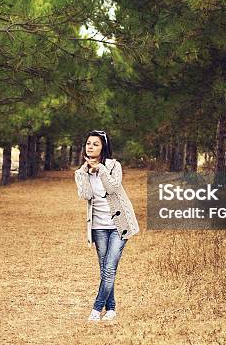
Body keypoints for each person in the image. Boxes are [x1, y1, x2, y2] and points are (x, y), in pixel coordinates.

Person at [74, 130, 139, 322]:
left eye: (95, 144)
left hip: (119, 225)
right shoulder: (80, 172)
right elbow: (85, 195)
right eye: (88, 143)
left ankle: (96, 309)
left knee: (110, 268)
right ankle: (111, 308)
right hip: (98, 227)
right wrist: (86, 172)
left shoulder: (113, 166)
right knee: (105, 269)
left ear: (103, 147)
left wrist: (100, 168)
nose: (90, 147)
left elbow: (112, 187)